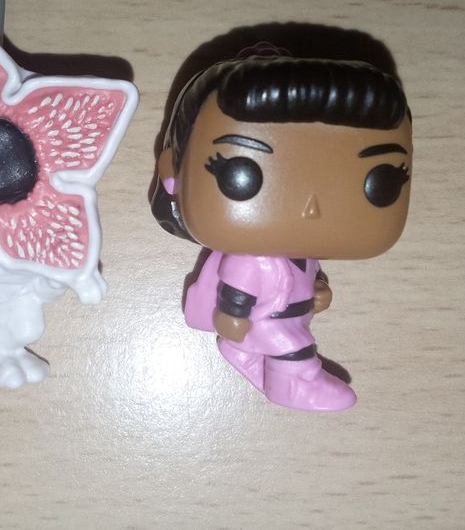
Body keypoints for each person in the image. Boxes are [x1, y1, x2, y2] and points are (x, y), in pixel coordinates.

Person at [153, 43, 412, 411]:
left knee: (290, 341)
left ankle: (261, 365)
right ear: (174, 175)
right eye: (241, 173)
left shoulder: (301, 257)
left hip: (282, 318)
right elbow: (237, 292)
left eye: (382, 181)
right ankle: (295, 384)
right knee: (292, 346)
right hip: (264, 323)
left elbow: (305, 279)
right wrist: (231, 317)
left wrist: (318, 290)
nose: (312, 207)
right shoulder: (251, 261)